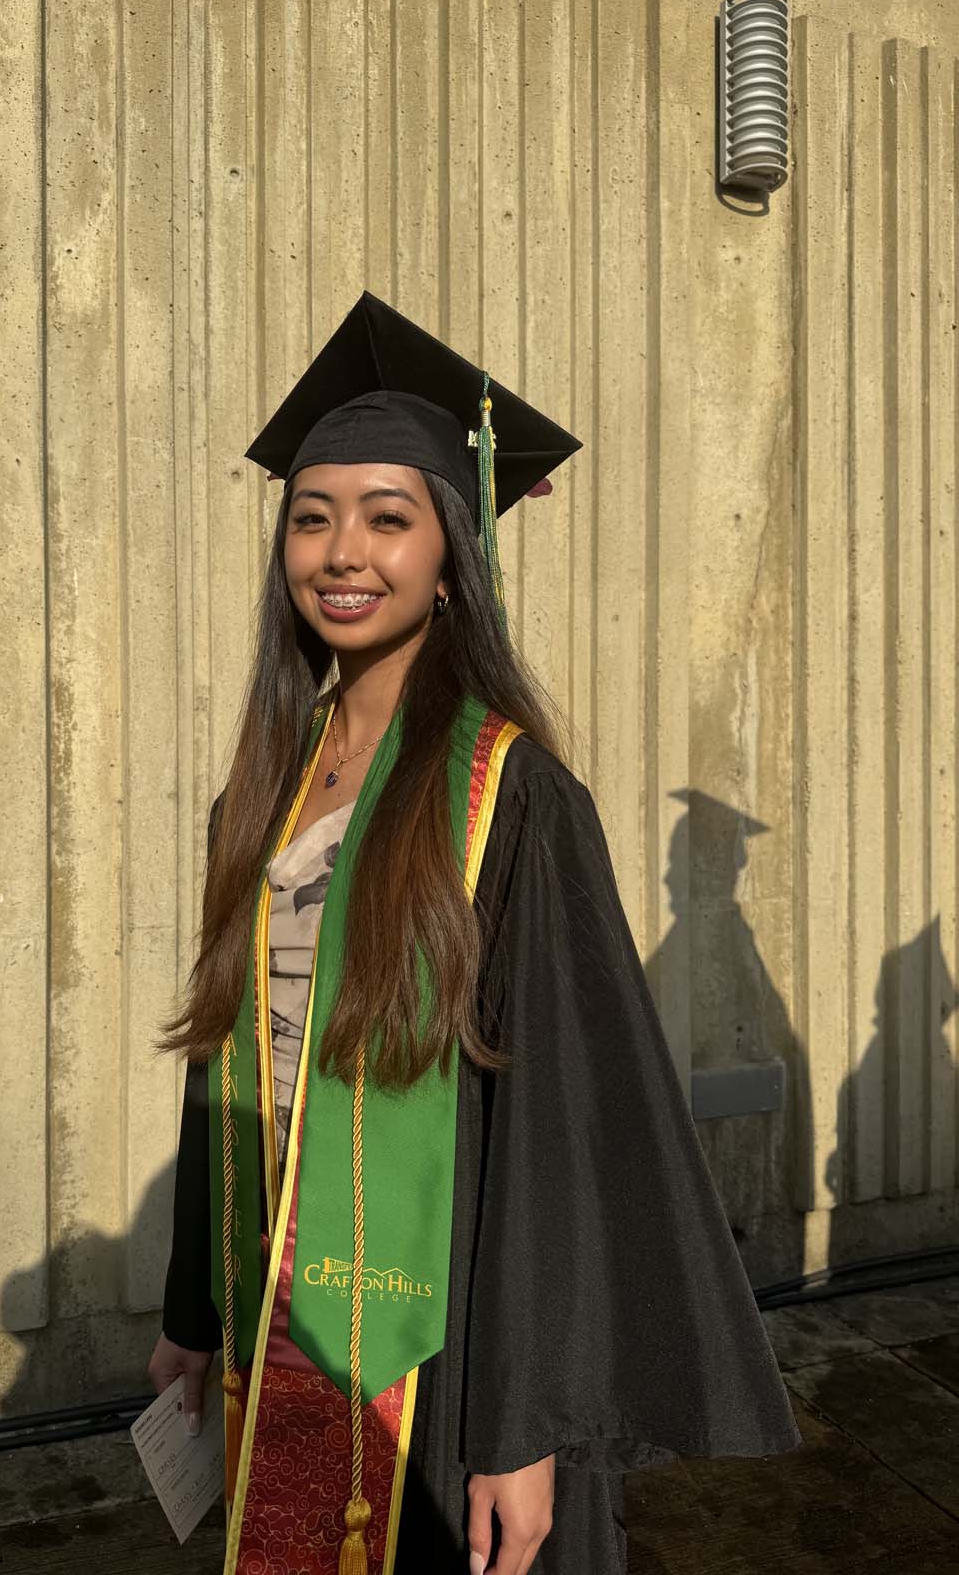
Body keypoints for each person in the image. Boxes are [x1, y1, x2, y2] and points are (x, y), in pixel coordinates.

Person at [147, 291, 801, 1575]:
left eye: (390, 519)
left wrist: (522, 1426)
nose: (344, 552)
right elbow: (229, 1064)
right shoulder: (262, 787)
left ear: (454, 556)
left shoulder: (515, 804)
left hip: (440, 1346)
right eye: (313, 516)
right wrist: (191, 1305)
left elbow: (559, 1136)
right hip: (271, 1310)